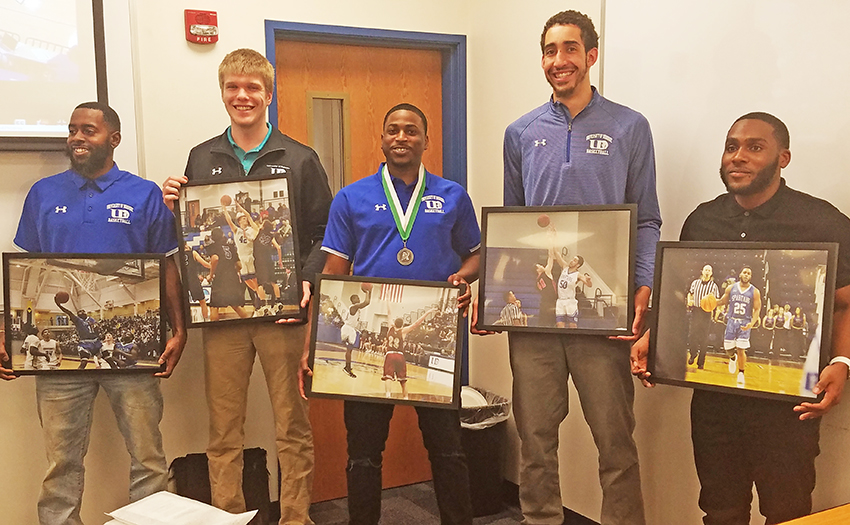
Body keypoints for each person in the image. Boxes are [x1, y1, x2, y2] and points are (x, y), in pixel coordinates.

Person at [632, 112, 850, 524]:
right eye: (732, 146)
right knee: (719, 509)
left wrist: (842, 363)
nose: (738, 157)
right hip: (714, 403)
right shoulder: (702, 220)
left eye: (754, 147)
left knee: (787, 511)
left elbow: (846, 301)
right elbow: (680, 299)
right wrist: (654, 337)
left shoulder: (822, 221)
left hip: (789, 409)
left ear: (782, 158)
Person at [489, 10, 662, 524]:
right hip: (536, 320)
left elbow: (647, 219)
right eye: (549, 50)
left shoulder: (630, 127)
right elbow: (515, 227)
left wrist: (643, 287)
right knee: (535, 441)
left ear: (590, 55)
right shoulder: (520, 132)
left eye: (569, 49)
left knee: (615, 443)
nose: (558, 60)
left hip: (603, 314)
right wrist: (502, 296)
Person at [162, 48, 332, 524]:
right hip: (224, 316)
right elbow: (190, 237)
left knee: (292, 427)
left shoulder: (299, 159)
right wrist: (172, 202)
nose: (243, 96)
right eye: (233, 88)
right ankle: (228, 517)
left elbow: (326, 234)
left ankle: (297, 518)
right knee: (223, 430)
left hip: (282, 313)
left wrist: (306, 278)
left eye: (252, 88)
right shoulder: (202, 157)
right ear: (222, 94)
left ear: (268, 95)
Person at [0, 101, 186, 525]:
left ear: (114, 139)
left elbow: (168, 264)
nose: (77, 138)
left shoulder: (145, 195)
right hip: (60, 366)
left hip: (133, 358)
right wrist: (4, 329)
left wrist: (179, 329)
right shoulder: (43, 193)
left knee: (148, 458)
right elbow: (23, 271)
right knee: (60, 465)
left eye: (89, 131)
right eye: (72, 130)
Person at [317, 103, 480, 525]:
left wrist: (461, 281)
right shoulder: (351, 197)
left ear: (426, 140)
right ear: (382, 138)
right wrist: (312, 346)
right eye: (393, 130)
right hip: (380, 336)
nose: (401, 137)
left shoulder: (452, 196)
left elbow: (476, 259)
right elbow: (333, 274)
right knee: (364, 455)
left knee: (448, 449)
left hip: (438, 338)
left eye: (411, 131)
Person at [716, 267, 761, 387]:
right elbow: (722, 301)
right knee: (728, 348)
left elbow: (757, 309)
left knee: (741, 349)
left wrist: (751, 323)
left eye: (749, 273)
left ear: (750, 276)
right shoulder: (731, 288)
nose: (746, 275)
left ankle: (741, 372)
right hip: (731, 321)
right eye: (744, 272)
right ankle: (732, 358)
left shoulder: (754, 291)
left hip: (744, 323)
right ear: (740, 274)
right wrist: (713, 302)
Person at [382, 307, 437, 398]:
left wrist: (387, 297)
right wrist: (428, 312)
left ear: (394, 323)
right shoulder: (403, 331)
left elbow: (389, 312)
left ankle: (388, 396)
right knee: (403, 381)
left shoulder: (390, 328)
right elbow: (416, 324)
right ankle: (406, 398)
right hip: (400, 356)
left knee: (388, 377)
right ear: (402, 325)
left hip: (390, 354)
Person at [687, 264, 720, 369]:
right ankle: (693, 353)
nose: (707, 272)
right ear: (702, 271)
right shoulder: (695, 283)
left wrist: (714, 311)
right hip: (696, 311)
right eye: (706, 270)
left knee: (704, 339)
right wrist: (689, 301)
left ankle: (701, 362)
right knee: (692, 335)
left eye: (709, 270)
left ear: (711, 273)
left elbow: (717, 300)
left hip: (706, 313)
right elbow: (690, 293)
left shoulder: (714, 286)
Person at [339, 287, 372, 378]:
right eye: (357, 297)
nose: (358, 298)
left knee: (350, 350)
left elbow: (368, 301)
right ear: (353, 300)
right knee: (349, 350)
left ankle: (347, 367)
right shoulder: (353, 307)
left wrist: (370, 291)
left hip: (352, 329)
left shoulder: (356, 308)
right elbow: (367, 302)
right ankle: (347, 367)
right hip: (348, 328)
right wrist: (367, 292)